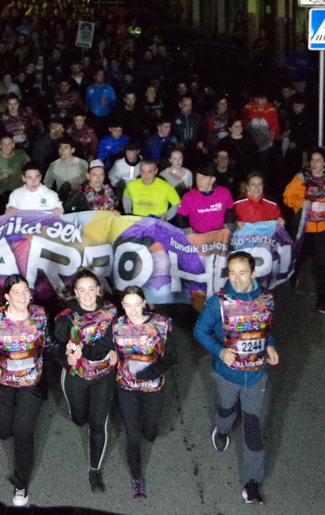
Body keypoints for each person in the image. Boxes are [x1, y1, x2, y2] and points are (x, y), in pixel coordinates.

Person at [194, 251, 279, 505]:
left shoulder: (266, 300)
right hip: (227, 375)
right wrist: (220, 351)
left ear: (253, 273)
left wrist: (270, 346)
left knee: (252, 426)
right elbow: (200, 331)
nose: (237, 279)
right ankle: (221, 429)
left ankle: (252, 483)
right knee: (226, 409)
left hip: (256, 376)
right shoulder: (218, 303)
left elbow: (266, 329)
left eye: (242, 273)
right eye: (232, 273)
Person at [0, 275, 53, 508]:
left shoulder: (40, 315)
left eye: (25, 290)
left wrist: (72, 352)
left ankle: (21, 484)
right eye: (16, 292)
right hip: (3, 383)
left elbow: (50, 344)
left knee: (23, 433)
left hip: (31, 384)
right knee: (3, 431)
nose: (22, 296)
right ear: (7, 297)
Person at [52, 269, 118, 494]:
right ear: (75, 293)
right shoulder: (66, 318)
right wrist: (66, 358)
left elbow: (110, 342)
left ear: (99, 290)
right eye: (82, 290)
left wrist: (103, 350)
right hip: (76, 377)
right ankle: (78, 415)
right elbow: (57, 347)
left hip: (104, 376)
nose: (88, 294)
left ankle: (94, 470)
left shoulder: (110, 312)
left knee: (98, 424)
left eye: (91, 289)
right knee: (80, 419)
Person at [110, 286, 176, 502]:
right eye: (128, 305)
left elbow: (171, 357)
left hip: (152, 388)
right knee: (133, 435)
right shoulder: (116, 325)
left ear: (144, 303)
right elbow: (105, 348)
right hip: (126, 388)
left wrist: (148, 373)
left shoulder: (161, 324)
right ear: (122, 305)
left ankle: (149, 431)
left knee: (150, 431)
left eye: (137, 305)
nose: (133, 310)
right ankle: (136, 478)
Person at [283, 148, 325, 313]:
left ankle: (322, 301)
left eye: (318, 160)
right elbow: (287, 196)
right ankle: (294, 271)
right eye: (312, 160)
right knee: (301, 255)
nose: (314, 164)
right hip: (306, 226)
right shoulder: (301, 178)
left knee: (323, 262)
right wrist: (300, 203)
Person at [177, 162, 235, 233]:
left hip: (219, 235)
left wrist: (228, 223)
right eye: (197, 178)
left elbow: (230, 210)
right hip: (199, 236)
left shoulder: (224, 192)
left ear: (212, 179)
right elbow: (181, 217)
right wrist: (187, 229)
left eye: (203, 178)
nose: (199, 182)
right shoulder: (188, 197)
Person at [0, 135, 31, 201]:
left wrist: (25, 172)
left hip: (20, 189)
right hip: (3, 192)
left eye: (9, 144)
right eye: (4, 144)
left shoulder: (20, 154)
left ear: (13, 145)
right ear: (0, 145)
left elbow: (29, 165)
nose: (6, 147)